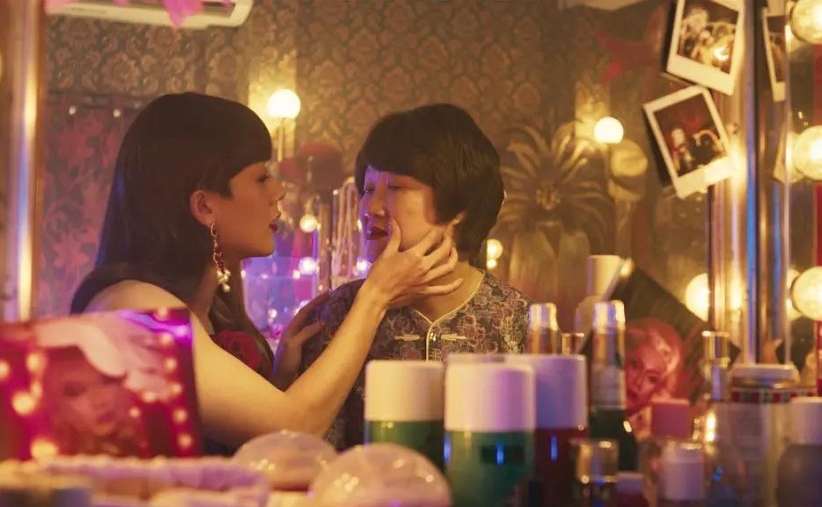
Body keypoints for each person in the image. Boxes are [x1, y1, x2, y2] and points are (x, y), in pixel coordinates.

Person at [70, 93, 460, 452]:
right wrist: (375, 297)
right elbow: (292, 426)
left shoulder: (213, 309)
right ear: (205, 206)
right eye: (261, 177)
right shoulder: (134, 309)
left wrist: (278, 381)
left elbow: (240, 441)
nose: (279, 191)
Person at [287, 103, 532, 449]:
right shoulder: (339, 312)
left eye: (395, 188)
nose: (371, 208)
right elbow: (310, 452)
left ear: (458, 207)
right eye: (368, 188)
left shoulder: (518, 319)